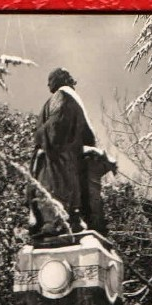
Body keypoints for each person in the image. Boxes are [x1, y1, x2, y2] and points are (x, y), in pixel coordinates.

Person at [29, 68, 115, 239]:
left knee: (50, 188)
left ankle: (53, 223)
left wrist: (39, 134)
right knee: (67, 191)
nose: (48, 84)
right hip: (69, 155)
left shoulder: (61, 96)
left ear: (61, 80)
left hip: (56, 156)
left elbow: (56, 125)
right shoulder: (75, 101)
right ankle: (66, 221)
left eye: (51, 79)